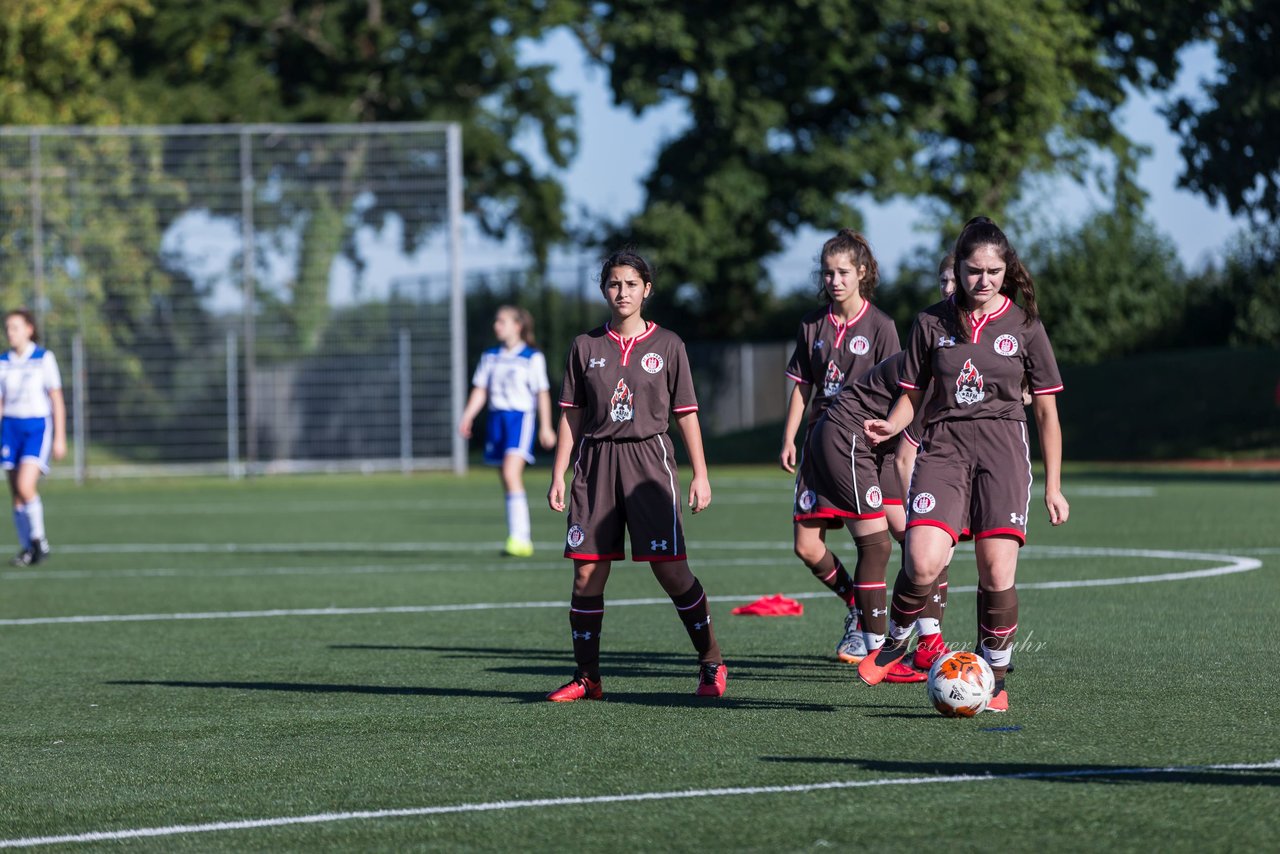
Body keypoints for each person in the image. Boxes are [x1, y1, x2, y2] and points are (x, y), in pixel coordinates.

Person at [859, 218, 1069, 713]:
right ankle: (896, 638)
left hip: (1002, 448)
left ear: (1008, 270)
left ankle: (993, 676)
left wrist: (1054, 486)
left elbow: (1046, 411)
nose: (984, 281)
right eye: (974, 271)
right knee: (922, 559)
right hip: (945, 444)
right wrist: (892, 425)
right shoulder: (931, 323)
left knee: (996, 571)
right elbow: (912, 394)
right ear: (958, 268)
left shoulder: (1025, 326)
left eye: (995, 271)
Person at [546, 249, 725, 701]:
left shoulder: (669, 345)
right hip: (595, 463)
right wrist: (558, 475)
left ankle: (711, 660)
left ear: (647, 289)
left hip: (649, 462)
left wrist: (700, 475)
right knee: (586, 575)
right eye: (613, 284)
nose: (621, 292)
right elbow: (571, 415)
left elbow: (686, 415)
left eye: (630, 284)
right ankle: (588, 678)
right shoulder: (584, 346)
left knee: (671, 572)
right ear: (603, 289)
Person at [779, 229, 900, 665]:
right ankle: (856, 605)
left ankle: (907, 630)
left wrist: (895, 438)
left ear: (862, 273)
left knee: (888, 535)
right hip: (817, 441)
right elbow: (801, 385)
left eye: (843, 272)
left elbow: (901, 390)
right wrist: (790, 436)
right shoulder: (812, 324)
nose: (834, 280)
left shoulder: (882, 326)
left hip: (864, 444)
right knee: (806, 547)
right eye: (828, 273)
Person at [458, 306, 557, 557]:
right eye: (496, 321)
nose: (496, 326)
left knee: (512, 473)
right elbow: (481, 389)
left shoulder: (531, 357)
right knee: (506, 478)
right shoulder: (490, 356)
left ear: (518, 325)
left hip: (520, 419)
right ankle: (518, 537)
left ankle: (521, 539)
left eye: (502, 321)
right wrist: (468, 415)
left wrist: (546, 426)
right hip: (496, 419)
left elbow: (541, 393)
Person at [0, 309, 67, 566]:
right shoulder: (4, 362)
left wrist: (60, 437)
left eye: (15, 327)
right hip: (10, 429)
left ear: (29, 329)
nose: (10, 333)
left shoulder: (43, 358)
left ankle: (40, 540)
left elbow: (56, 399)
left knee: (26, 486)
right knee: (16, 492)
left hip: (36, 427)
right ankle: (28, 548)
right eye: (7, 328)